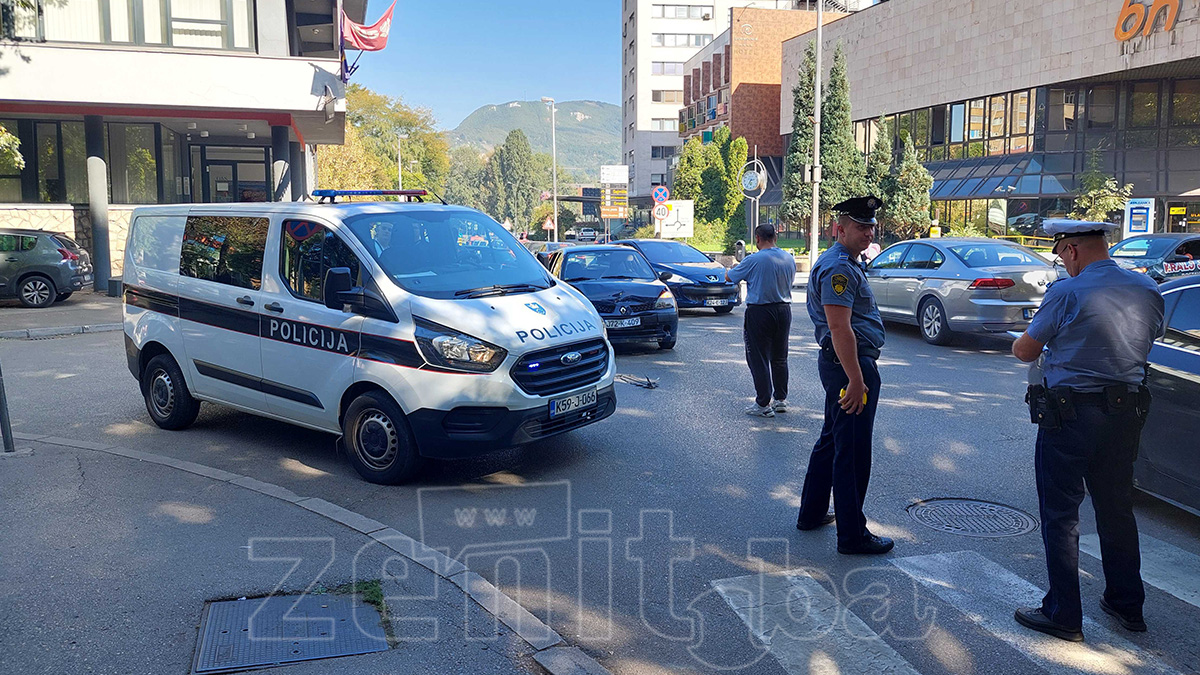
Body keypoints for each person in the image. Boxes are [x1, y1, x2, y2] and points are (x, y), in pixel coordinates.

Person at [1010, 219, 1164, 642]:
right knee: (1116, 508)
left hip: (1071, 415)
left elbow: (1025, 349)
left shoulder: (1066, 291)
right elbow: (1151, 339)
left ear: (1072, 250)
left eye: (1061, 254)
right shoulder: (1147, 288)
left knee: (1060, 514)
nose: (1062, 263)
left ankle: (1063, 614)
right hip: (1125, 413)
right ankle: (1127, 604)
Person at [796, 196, 893, 555]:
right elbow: (840, 328)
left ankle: (811, 512)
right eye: (859, 226)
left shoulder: (846, 263)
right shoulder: (839, 269)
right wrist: (856, 379)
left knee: (833, 440)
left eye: (870, 226)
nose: (867, 232)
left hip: (842, 365)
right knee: (852, 450)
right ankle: (853, 535)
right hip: (850, 366)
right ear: (840, 228)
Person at [725, 223, 797, 418]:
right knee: (780, 357)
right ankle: (780, 399)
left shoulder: (754, 259)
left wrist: (733, 268)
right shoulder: (788, 258)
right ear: (775, 236)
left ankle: (763, 402)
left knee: (758, 357)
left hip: (760, 311)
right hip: (783, 309)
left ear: (757, 239)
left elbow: (730, 277)